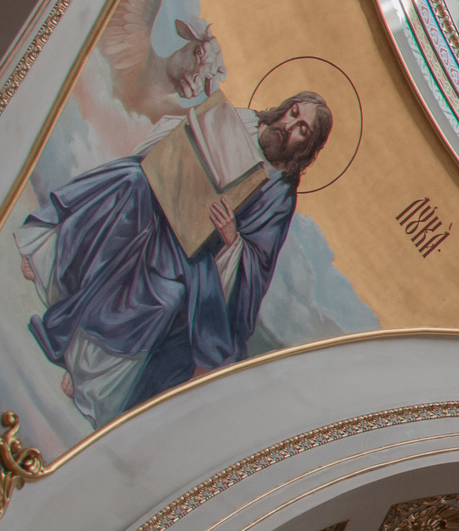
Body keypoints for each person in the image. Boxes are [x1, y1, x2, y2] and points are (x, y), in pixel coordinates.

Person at [17, 93, 331, 422]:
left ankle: (84, 369)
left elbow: (258, 267)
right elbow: (184, 133)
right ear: (283, 108)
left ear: (306, 149)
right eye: (293, 114)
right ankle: (50, 259)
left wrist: (231, 238)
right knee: (131, 180)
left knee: (167, 295)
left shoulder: (279, 195)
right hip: (161, 195)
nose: (289, 126)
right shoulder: (240, 121)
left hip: (197, 254)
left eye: (302, 130)